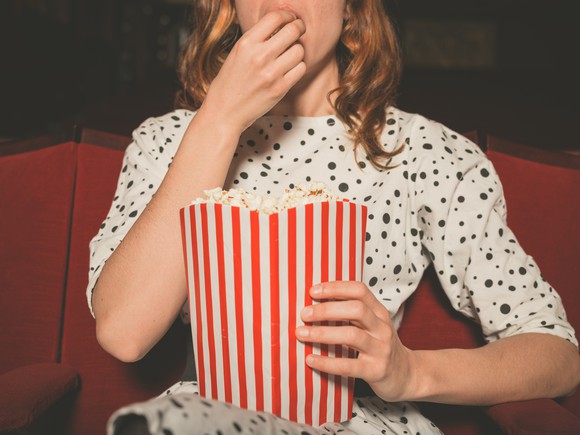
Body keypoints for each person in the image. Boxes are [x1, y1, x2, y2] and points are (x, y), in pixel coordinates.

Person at [88, 1, 580, 434]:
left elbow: (556, 354)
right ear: (230, 9)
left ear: (351, 11)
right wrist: (218, 120)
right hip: (207, 419)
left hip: (356, 422)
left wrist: (410, 372)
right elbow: (124, 333)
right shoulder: (166, 142)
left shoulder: (424, 151)